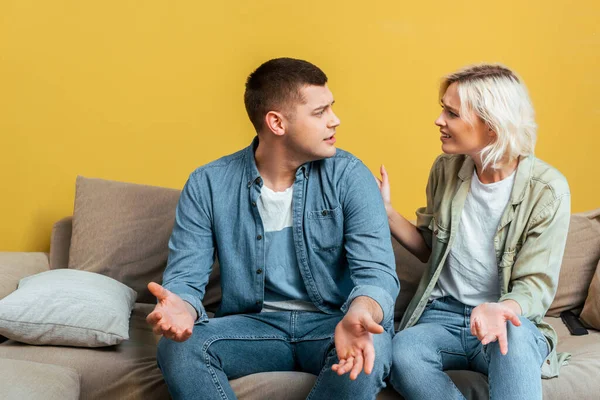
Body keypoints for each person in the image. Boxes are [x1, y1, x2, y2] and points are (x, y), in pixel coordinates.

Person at [146, 57, 399, 399]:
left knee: (373, 344)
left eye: (331, 108)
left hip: (333, 324)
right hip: (253, 328)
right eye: (320, 112)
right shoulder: (208, 183)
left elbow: (377, 274)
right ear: (277, 123)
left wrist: (360, 313)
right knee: (176, 349)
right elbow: (186, 279)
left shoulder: (350, 176)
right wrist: (183, 307)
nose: (335, 120)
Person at [377, 64, 570, 399]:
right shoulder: (445, 170)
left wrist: (499, 310)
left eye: (451, 113)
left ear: (492, 126)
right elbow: (431, 250)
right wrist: (388, 213)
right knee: (402, 351)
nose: (439, 120)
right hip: (444, 314)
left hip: (507, 319)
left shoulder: (547, 190)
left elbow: (535, 286)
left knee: (514, 337)